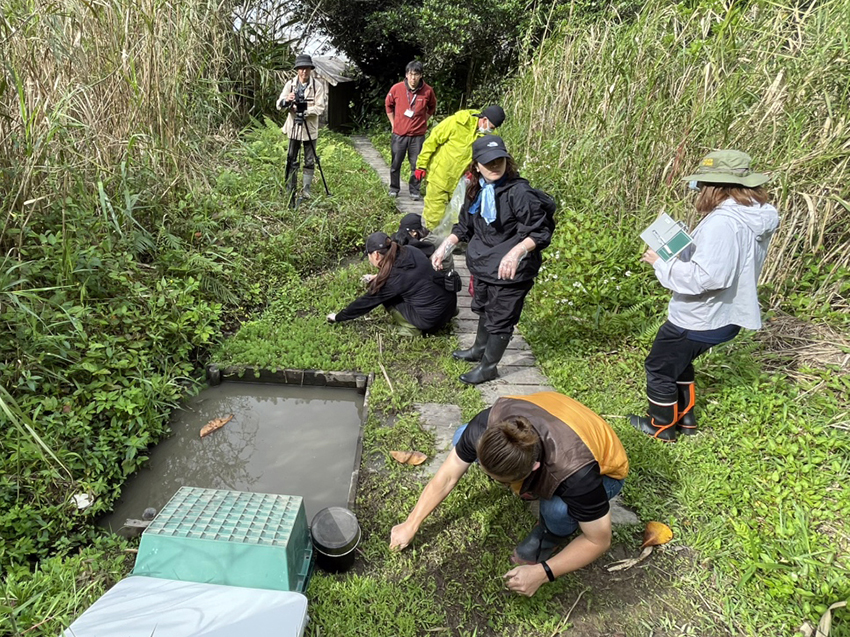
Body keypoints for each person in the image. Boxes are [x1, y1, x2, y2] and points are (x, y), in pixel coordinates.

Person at [390, 391, 629, 597]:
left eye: (499, 480)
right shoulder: (487, 423)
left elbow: (598, 540)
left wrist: (543, 573)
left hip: (604, 467)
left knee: (557, 510)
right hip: (558, 415)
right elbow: (447, 477)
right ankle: (525, 487)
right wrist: (411, 523)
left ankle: (550, 536)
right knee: (461, 436)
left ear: (534, 468)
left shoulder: (577, 476)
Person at [629, 150, 780, 441]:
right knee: (679, 362)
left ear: (715, 187)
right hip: (726, 315)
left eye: (700, 184)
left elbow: (708, 277)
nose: (697, 190)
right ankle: (686, 421)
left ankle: (660, 427)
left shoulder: (724, 223)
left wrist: (661, 262)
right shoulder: (754, 215)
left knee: (658, 367)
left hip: (699, 317)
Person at [432, 136, 555, 384]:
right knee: (485, 307)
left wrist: (517, 252)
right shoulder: (475, 188)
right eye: (488, 162)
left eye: (499, 160)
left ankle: (489, 367)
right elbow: (464, 226)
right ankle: (479, 349)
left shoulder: (520, 192)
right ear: (476, 165)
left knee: (501, 316)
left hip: (512, 270)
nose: (494, 165)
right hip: (484, 262)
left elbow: (540, 231)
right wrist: (445, 246)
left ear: (506, 161)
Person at [327, 232, 457, 336]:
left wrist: (338, 317)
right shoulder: (410, 250)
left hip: (431, 320)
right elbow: (414, 273)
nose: (369, 259)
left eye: (369, 255)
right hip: (449, 307)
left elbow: (365, 303)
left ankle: (411, 329)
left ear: (376, 255)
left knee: (388, 299)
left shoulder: (392, 280)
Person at [415, 105, 506, 229]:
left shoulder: (486, 137)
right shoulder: (457, 122)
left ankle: (452, 240)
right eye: (491, 127)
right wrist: (421, 165)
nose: (491, 130)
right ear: (484, 120)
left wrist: (473, 171)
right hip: (439, 175)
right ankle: (431, 239)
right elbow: (432, 141)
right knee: (434, 212)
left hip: (460, 181)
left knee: (457, 213)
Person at [276, 53, 327, 203]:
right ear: (297, 70)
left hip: (310, 128)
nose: (304, 72)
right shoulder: (290, 84)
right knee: (292, 158)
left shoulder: (318, 86)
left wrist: (306, 111)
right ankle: (290, 187)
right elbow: (279, 104)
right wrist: (287, 100)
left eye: (306, 68)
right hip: (294, 127)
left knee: (310, 160)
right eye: (301, 69)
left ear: (311, 69)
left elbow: (320, 108)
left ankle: (306, 190)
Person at [385, 61, 437, 200]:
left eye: (416, 75)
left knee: (417, 164)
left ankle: (414, 190)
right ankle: (394, 188)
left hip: (418, 136)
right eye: (410, 74)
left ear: (421, 76)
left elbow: (432, 107)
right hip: (399, 134)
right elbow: (388, 105)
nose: (413, 78)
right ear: (406, 75)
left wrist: (423, 120)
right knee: (396, 163)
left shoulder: (427, 91)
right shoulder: (396, 88)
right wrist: (393, 123)